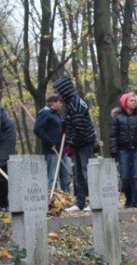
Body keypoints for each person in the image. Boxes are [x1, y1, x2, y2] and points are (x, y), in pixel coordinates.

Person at [52, 76, 97, 212]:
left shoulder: (76, 104)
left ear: (65, 90)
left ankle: (93, 202)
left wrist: (71, 144)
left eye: (59, 92)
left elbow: (80, 128)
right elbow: (72, 120)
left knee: (86, 172)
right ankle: (80, 202)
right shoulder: (70, 103)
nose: (58, 95)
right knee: (77, 174)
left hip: (84, 143)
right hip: (78, 142)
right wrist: (65, 124)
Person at [109, 92, 137, 208]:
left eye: (135, 100)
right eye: (131, 100)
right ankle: (129, 199)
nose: (134, 102)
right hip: (123, 150)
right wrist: (114, 151)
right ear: (124, 102)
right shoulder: (118, 118)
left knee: (136, 175)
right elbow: (113, 136)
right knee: (125, 176)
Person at [34, 93, 71, 193]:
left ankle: (67, 197)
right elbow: (37, 129)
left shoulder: (55, 115)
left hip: (63, 149)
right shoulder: (45, 113)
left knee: (66, 176)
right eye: (60, 102)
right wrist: (50, 143)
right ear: (54, 102)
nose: (61, 105)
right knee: (52, 177)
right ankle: (51, 199)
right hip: (52, 150)